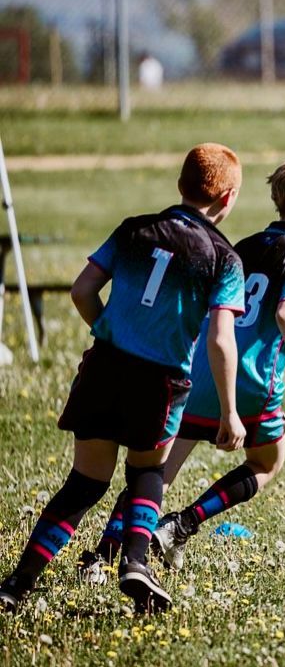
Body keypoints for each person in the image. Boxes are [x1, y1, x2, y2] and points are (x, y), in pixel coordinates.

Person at [0, 143, 246, 614]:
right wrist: (230, 412)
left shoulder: (135, 230)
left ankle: (18, 580)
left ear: (181, 185)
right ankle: (135, 562)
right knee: (147, 472)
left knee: (85, 482)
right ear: (228, 198)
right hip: (160, 383)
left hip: (106, 365)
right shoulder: (223, 259)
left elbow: (82, 289)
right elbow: (220, 339)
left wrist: (105, 332)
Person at [80, 145, 285, 575]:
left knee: (157, 470)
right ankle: (181, 526)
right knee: (266, 463)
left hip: (200, 370)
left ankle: (103, 556)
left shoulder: (241, 246)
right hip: (252, 380)